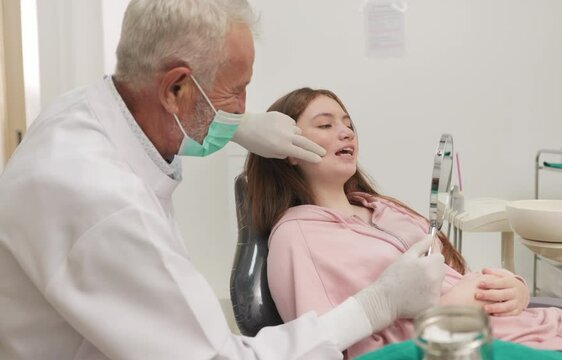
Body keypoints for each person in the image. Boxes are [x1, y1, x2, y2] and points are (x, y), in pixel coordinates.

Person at [0, 1, 446, 359]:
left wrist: (234, 122)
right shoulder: (106, 204)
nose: (243, 106)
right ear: (175, 89)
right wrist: (377, 304)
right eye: (235, 92)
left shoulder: (84, 112)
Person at [244, 87, 562, 360]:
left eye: (347, 123)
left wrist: (512, 289)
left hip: (551, 328)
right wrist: (448, 308)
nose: (346, 131)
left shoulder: (383, 210)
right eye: (326, 124)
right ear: (289, 150)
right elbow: (336, 347)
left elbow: (461, 277)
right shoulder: (299, 235)